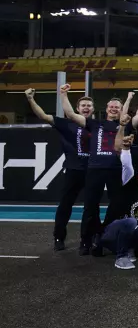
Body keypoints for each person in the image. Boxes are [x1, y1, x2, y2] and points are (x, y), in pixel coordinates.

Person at [59, 82, 126, 256]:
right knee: (90, 206)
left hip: (116, 169)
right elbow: (71, 115)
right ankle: (86, 240)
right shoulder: (94, 123)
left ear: (121, 110)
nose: (113, 109)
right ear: (106, 108)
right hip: (95, 169)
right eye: (111, 106)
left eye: (117, 107)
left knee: (117, 205)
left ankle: (103, 234)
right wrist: (64, 95)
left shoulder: (126, 125)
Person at [25, 88, 93, 251]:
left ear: (93, 109)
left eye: (89, 105)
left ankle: (86, 240)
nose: (86, 108)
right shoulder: (66, 123)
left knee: (91, 207)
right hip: (73, 170)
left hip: (92, 170)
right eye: (83, 105)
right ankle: (58, 237)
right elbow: (43, 116)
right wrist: (30, 100)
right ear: (77, 108)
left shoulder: (96, 125)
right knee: (65, 205)